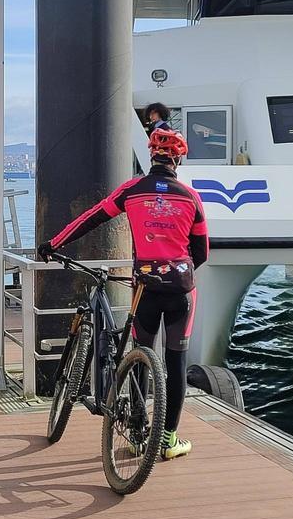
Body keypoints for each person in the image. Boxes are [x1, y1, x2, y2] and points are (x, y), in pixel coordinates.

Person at [38, 128, 207, 461]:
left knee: (141, 353)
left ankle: (140, 430)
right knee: (175, 361)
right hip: (181, 290)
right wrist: (178, 270)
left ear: (152, 157)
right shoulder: (190, 197)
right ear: (178, 159)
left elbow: (91, 218)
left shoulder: (133, 190)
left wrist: (53, 244)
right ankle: (169, 440)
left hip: (145, 286)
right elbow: (202, 251)